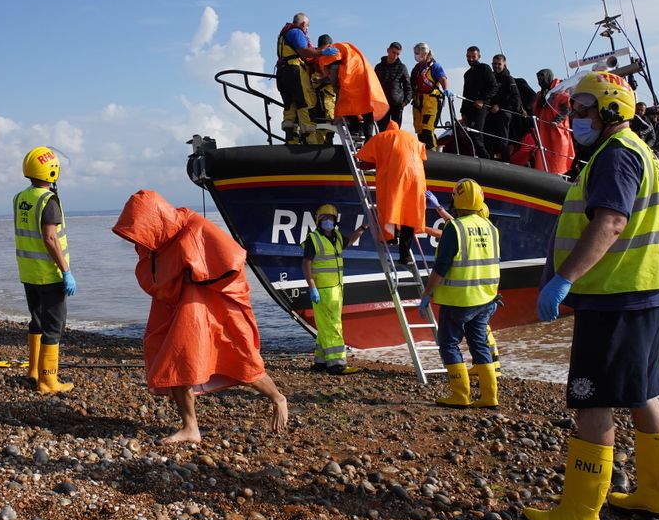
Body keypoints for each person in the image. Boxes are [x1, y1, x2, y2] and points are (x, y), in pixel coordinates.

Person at [524, 72, 659, 520]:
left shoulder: (615, 156)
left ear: (612, 109)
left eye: (582, 109)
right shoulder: (638, 150)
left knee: (592, 397)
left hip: (616, 295)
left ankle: (580, 511)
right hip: (647, 292)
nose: (574, 118)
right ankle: (656, 496)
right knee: (642, 391)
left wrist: (563, 278)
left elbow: (611, 222)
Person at [112, 190, 288, 443]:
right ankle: (190, 428)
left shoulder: (194, 227)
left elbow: (233, 259)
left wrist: (195, 276)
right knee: (174, 360)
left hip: (212, 307)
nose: (136, 240)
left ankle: (277, 397)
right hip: (177, 307)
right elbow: (154, 275)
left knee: (238, 356)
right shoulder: (158, 241)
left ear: (154, 219)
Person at [419, 179, 500, 409]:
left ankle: (460, 395)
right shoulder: (490, 228)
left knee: (449, 344)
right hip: (485, 298)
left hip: (459, 300)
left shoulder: (455, 228)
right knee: (480, 345)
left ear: (456, 198)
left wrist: (427, 294)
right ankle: (489, 397)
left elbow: (441, 267)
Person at [14, 146, 76, 395]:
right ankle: (48, 381)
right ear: (52, 171)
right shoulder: (49, 201)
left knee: (37, 321)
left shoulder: (20, 198)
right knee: (54, 326)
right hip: (49, 274)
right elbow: (50, 239)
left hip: (28, 272)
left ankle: (33, 371)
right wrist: (66, 271)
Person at [302, 204, 368, 375]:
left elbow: (349, 240)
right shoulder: (313, 238)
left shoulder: (337, 237)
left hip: (337, 288)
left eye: (330, 219)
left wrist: (362, 228)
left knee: (325, 325)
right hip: (323, 290)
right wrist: (312, 287)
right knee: (333, 325)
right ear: (318, 221)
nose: (328, 221)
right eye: (324, 219)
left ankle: (321, 361)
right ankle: (337, 364)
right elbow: (306, 264)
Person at [356, 121, 427, 265]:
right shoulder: (412, 138)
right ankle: (405, 255)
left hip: (398, 177)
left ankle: (391, 237)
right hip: (417, 178)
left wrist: (360, 165)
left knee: (391, 207)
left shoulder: (382, 137)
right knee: (410, 215)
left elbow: (364, 161)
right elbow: (423, 155)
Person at [275, 12, 339, 144]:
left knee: (290, 104)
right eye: (307, 27)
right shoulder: (297, 32)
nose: (307, 30)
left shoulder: (284, 35)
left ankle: (291, 138)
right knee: (305, 103)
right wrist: (321, 52)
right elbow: (304, 51)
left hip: (282, 73)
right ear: (304, 24)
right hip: (294, 71)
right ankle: (310, 140)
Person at [316, 39, 389, 140]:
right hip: (363, 76)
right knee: (366, 106)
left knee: (346, 104)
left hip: (352, 76)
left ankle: (355, 128)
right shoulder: (346, 49)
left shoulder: (333, 50)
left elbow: (333, 70)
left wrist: (335, 85)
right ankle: (368, 136)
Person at [410, 42, 453, 150]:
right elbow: (411, 83)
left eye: (417, 53)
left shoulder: (435, 67)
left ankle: (433, 153)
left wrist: (446, 89)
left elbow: (443, 78)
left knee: (427, 128)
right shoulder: (417, 68)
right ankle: (423, 152)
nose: (415, 55)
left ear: (424, 53)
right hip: (418, 101)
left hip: (431, 102)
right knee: (419, 129)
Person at [531, 68, 574, 174]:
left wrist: (557, 121)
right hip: (544, 130)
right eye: (538, 78)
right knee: (543, 156)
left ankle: (560, 175)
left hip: (557, 131)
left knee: (558, 156)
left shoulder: (560, 91)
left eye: (542, 77)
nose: (540, 80)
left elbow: (566, 109)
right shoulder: (540, 94)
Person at [459, 46, 497, 158]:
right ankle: (480, 160)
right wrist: (463, 111)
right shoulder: (467, 74)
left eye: (473, 57)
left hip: (481, 108)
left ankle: (487, 162)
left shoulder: (485, 68)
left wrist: (482, 100)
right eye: (468, 56)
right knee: (470, 135)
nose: (470, 59)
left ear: (479, 56)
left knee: (476, 135)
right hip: (469, 109)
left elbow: (493, 87)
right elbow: (465, 93)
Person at [485, 54, 521, 162]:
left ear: (504, 65)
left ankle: (506, 163)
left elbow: (516, 98)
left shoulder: (508, 79)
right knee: (487, 139)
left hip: (504, 113)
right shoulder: (490, 78)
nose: (496, 66)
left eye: (499, 64)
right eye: (494, 64)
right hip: (491, 112)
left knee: (502, 141)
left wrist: (500, 106)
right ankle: (489, 162)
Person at [374, 42, 413, 132]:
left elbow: (408, 86)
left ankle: (394, 146)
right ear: (388, 50)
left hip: (397, 105)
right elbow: (374, 85)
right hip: (382, 104)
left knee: (395, 131)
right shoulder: (379, 67)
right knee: (383, 131)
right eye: (393, 52)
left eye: (397, 54)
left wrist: (406, 101)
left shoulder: (402, 67)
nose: (395, 55)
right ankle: (384, 146)